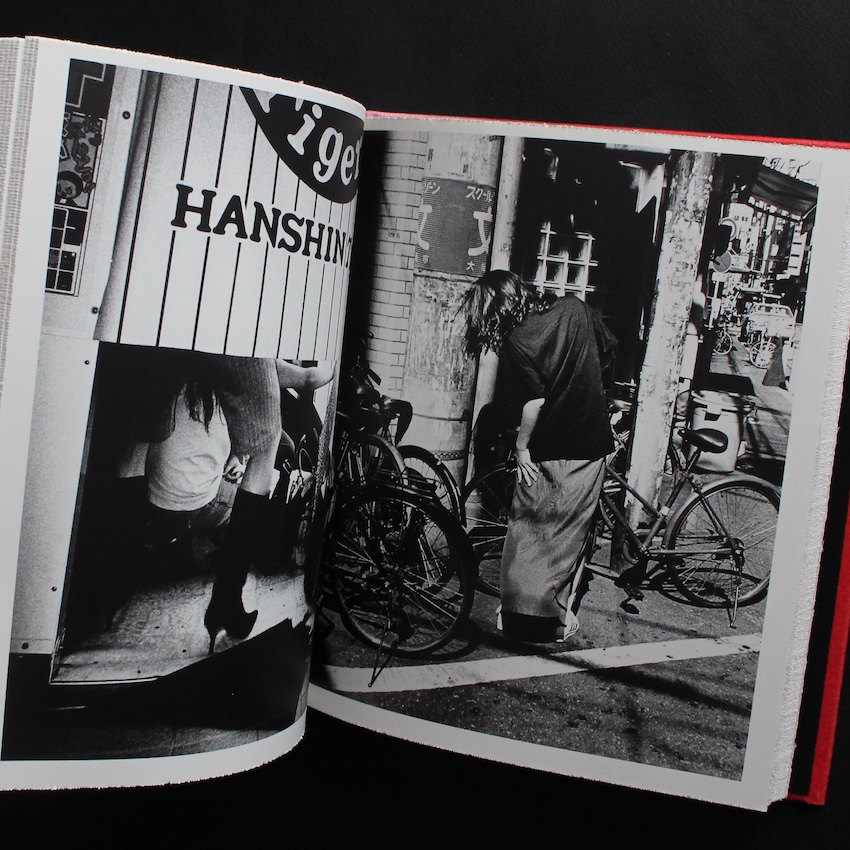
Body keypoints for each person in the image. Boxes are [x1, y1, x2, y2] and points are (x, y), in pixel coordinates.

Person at [465, 270, 616, 643]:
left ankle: (515, 610)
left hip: (546, 446)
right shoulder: (574, 308)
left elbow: (535, 403)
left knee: (527, 528)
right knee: (568, 533)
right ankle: (555, 618)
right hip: (588, 441)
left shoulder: (517, 340)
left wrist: (521, 448)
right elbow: (608, 351)